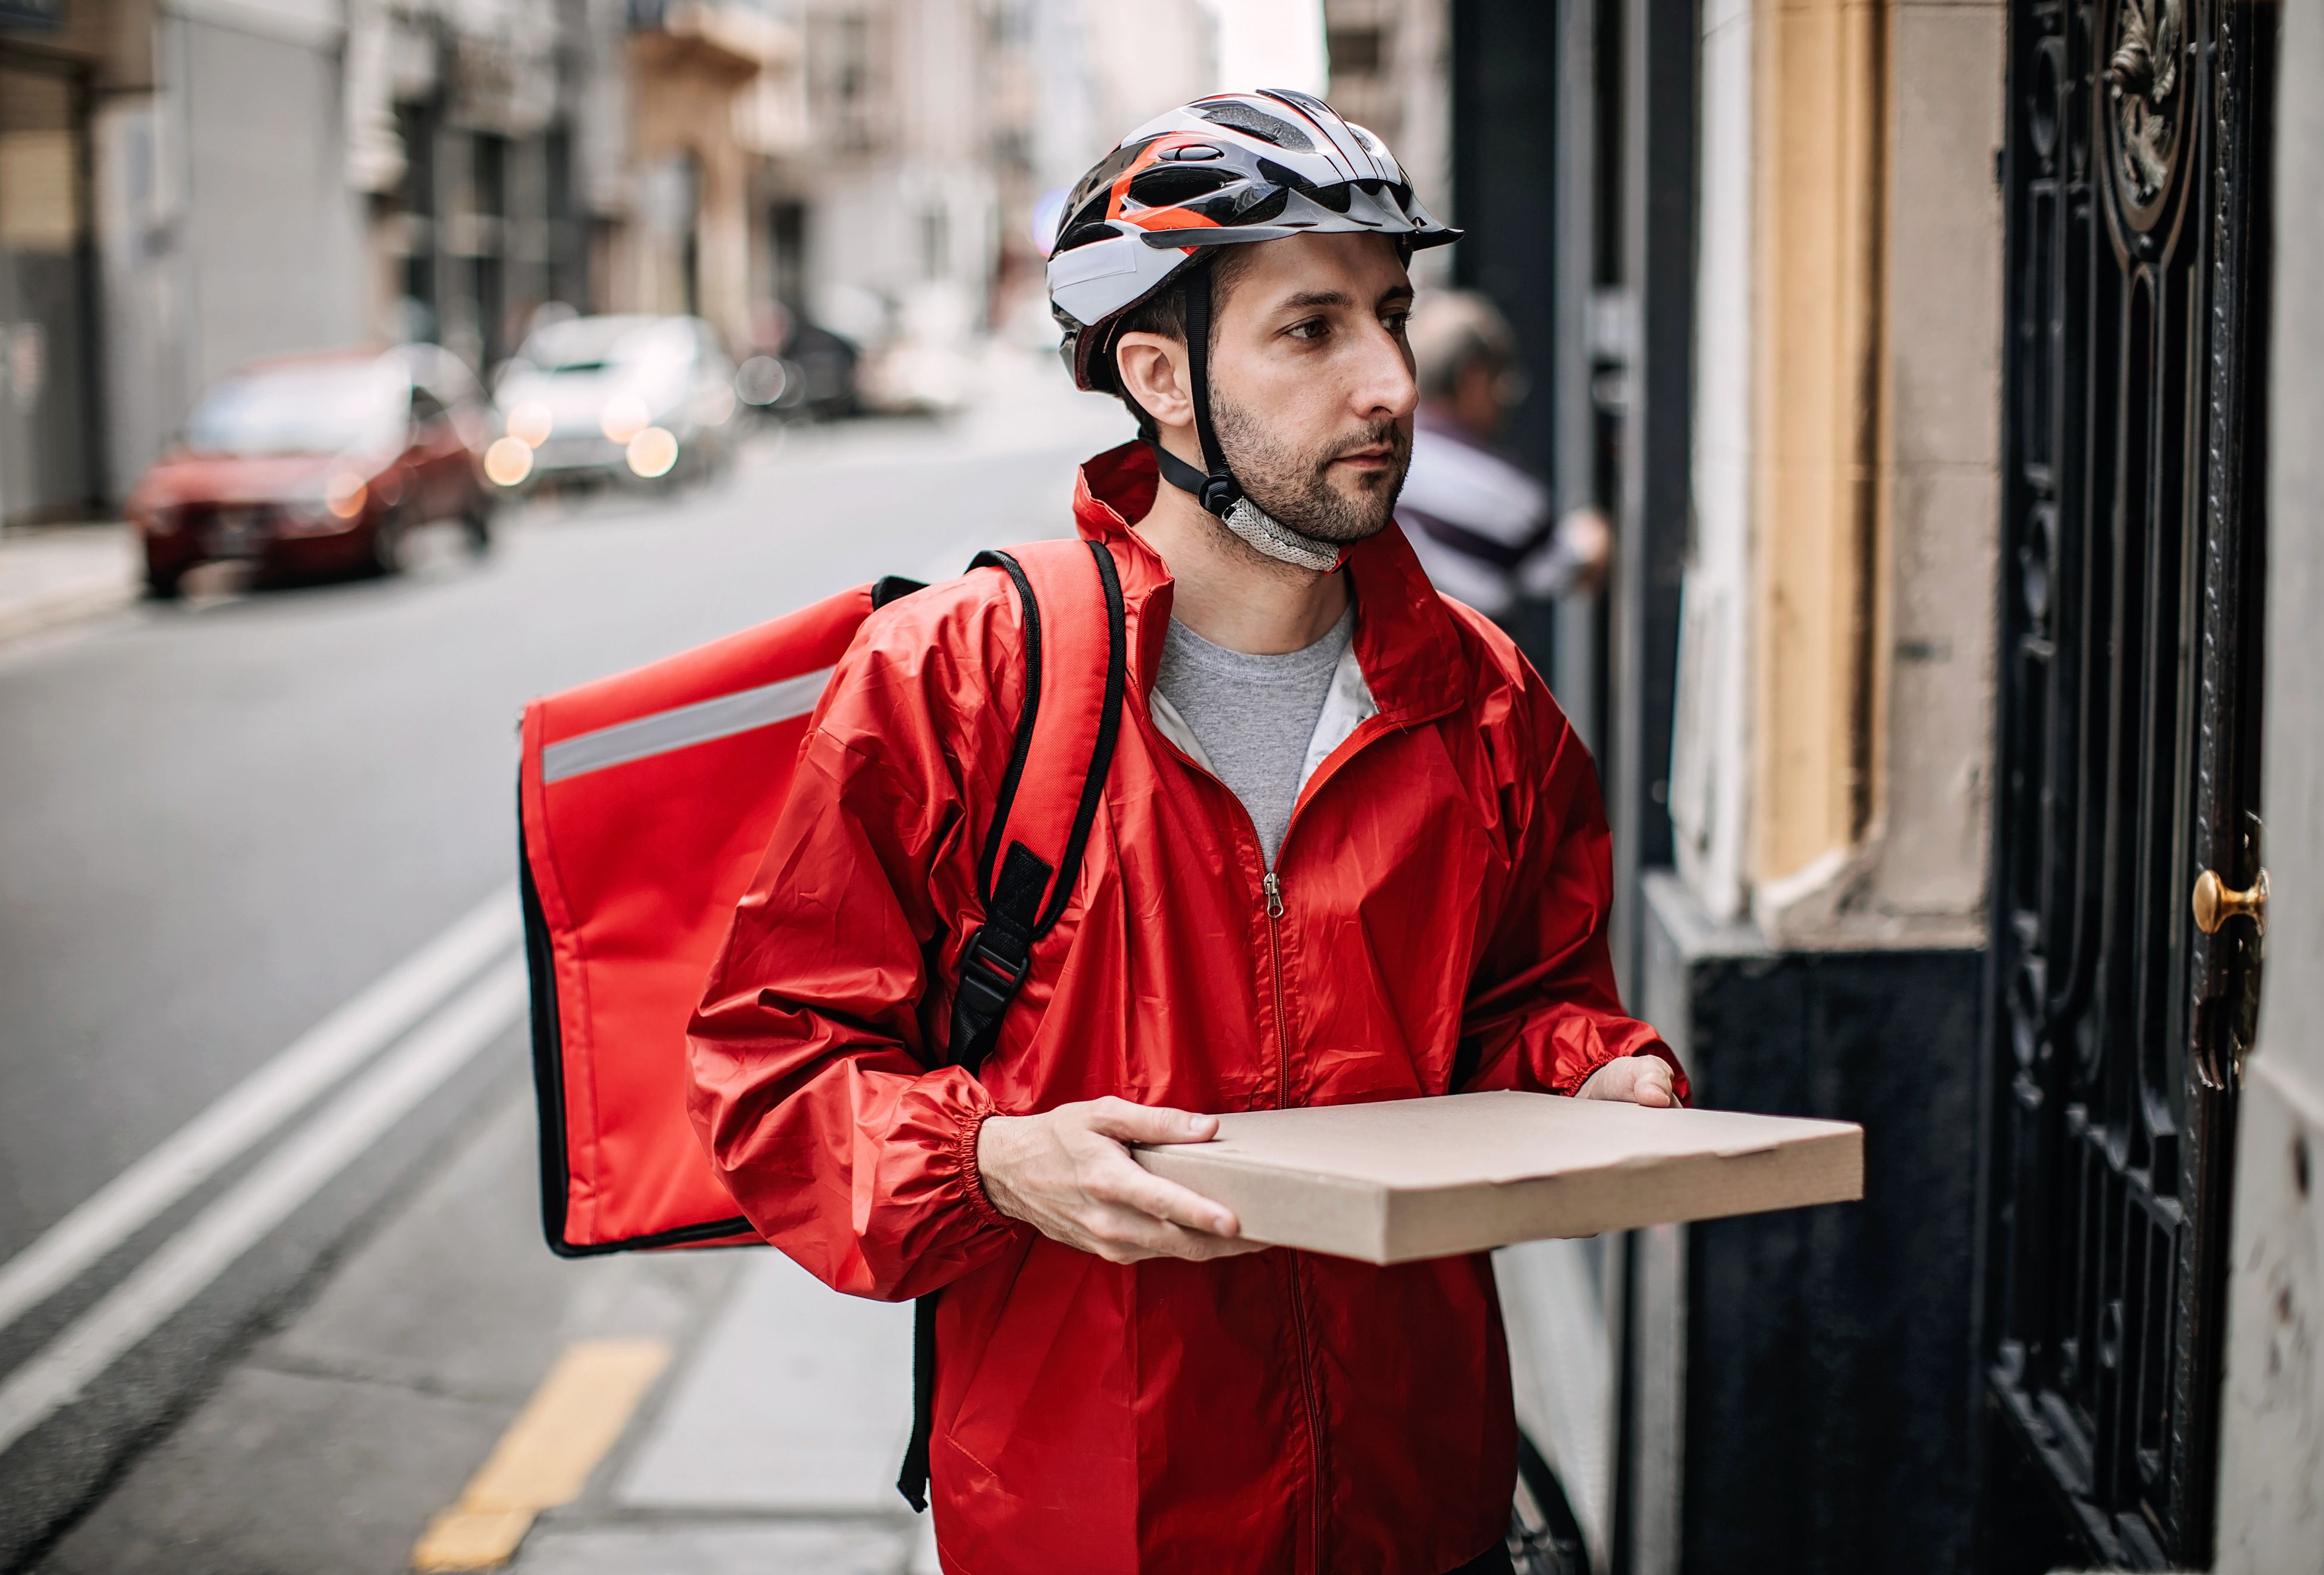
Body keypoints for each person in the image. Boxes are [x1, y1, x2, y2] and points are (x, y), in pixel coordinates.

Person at [686, 90, 1682, 1575]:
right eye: (1311, 330)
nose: (1391, 381)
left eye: (1391, 316)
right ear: (1157, 375)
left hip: (1423, 1511)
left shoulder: (1483, 699)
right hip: (1089, 1525)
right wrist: (991, 1162)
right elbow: (773, 1075)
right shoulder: (960, 678)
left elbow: (1520, 1006)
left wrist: (1588, 1070)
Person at [1393, 290, 1611, 619]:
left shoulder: (1384, 452)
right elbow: (1571, 568)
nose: (1506, 401)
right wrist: (1596, 532)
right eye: (1503, 382)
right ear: (1474, 378)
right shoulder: (1492, 483)